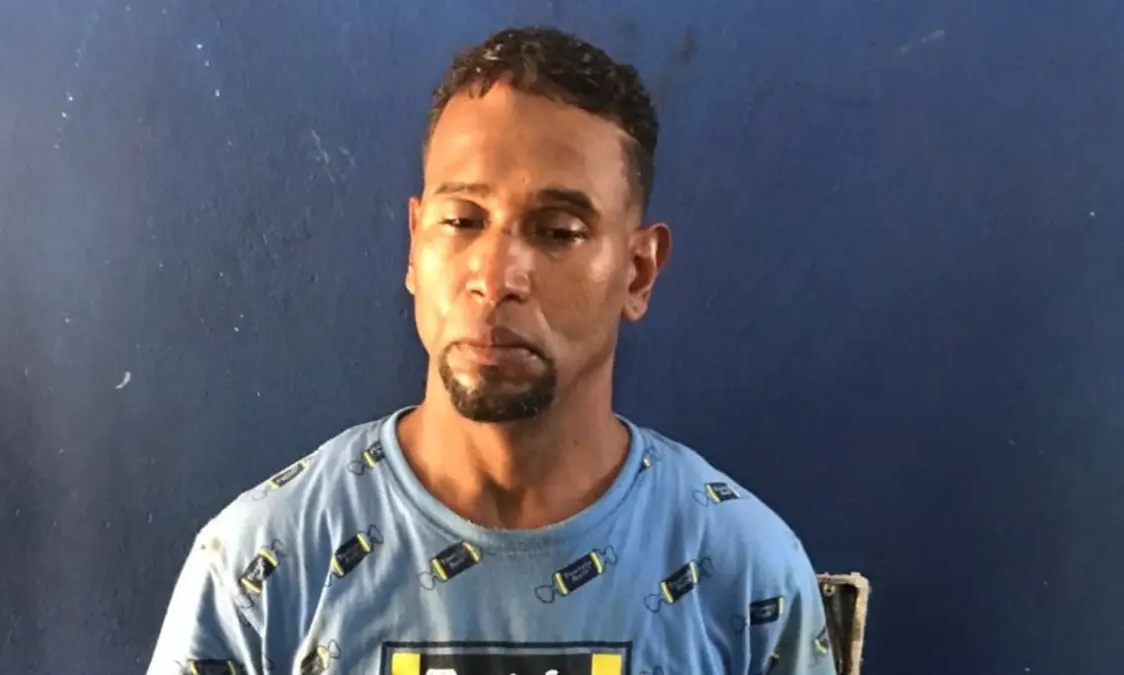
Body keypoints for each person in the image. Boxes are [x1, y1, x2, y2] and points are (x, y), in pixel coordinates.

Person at [146, 26, 837, 675]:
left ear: (638, 272)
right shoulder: (261, 569)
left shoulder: (745, 576)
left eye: (558, 231)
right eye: (462, 221)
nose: (496, 276)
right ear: (415, 244)